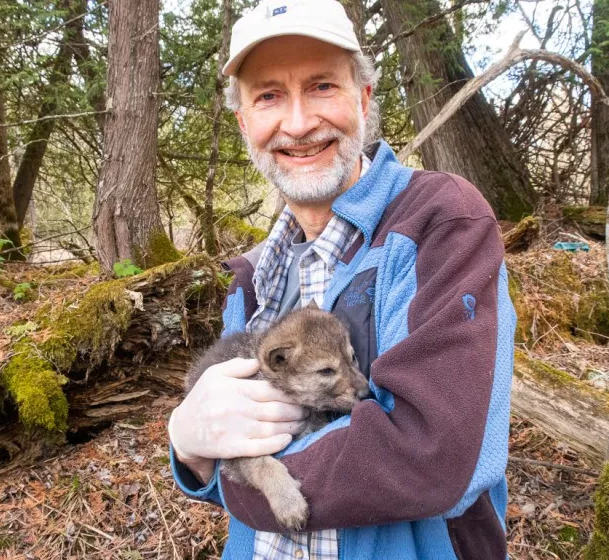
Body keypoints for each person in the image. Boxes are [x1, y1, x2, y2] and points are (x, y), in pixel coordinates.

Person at [167, 0, 515, 558]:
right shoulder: (252, 277)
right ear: (244, 123)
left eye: (323, 86)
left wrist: (244, 478)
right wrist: (188, 446)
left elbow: (431, 455)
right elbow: (216, 463)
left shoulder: (439, 223)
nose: (299, 123)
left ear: (364, 98)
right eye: (269, 96)